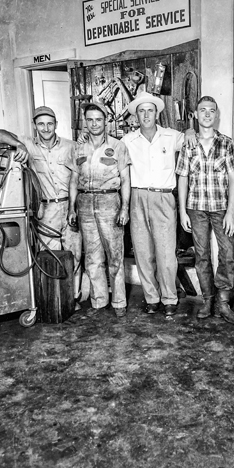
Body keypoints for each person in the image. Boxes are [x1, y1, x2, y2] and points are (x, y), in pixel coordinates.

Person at [0, 106, 84, 308]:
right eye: (41, 124)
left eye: (50, 123)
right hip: (46, 210)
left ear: (56, 125)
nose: (46, 128)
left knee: (74, 254)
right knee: (50, 255)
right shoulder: (27, 144)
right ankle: (54, 300)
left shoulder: (71, 146)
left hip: (70, 206)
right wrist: (19, 145)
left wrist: (74, 208)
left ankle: (72, 298)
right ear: (35, 126)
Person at [121, 92, 195, 317]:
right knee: (143, 252)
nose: (146, 115)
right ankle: (151, 298)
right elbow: (108, 151)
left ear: (157, 113)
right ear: (136, 115)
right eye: (141, 111)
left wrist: (191, 129)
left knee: (166, 254)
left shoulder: (171, 136)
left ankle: (170, 298)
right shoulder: (127, 141)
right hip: (138, 197)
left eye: (150, 110)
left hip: (164, 198)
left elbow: (192, 141)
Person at [175, 96, 234, 325]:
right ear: (196, 114)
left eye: (211, 111)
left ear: (216, 115)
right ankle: (208, 300)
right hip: (196, 208)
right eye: (202, 110)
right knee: (201, 256)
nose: (206, 114)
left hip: (222, 208)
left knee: (227, 254)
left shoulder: (226, 143)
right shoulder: (188, 144)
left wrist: (231, 212)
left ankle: (223, 302)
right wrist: (183, 211)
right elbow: (182, 178)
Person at [68, 101, 131, 317]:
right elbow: (74, 180)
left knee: (115, 255)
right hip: (85, 204)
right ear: (85, 122)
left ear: (106, 121)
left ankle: (119, 302)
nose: (95, 124)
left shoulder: (118, 146)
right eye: (90, 120)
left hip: (109, 203)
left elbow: (125, 179)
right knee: (93, 257)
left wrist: (125, 208)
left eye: (99, 119)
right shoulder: (79, 148)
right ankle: (98, 301)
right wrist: (71, 208)